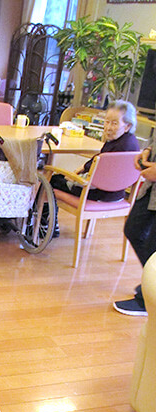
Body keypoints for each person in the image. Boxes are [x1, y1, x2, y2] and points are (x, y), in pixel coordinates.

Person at [49, 100, 140, 237]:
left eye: (114, 123)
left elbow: (99, 165)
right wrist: (82, 168)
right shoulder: (132, 145)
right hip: (118, 195)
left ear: (127, 126)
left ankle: (48, 226)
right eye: (107, 122)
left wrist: (76, 177)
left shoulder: (117, 147)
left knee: (53, 180)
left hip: (97, 194)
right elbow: (99, 160)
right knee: (65, 178)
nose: (108, 127)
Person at [113, 137, 156, 316]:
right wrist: (149, 150)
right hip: (151, 189)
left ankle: (148, 300)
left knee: (152, 247)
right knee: (133, 229)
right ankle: (152, 282)